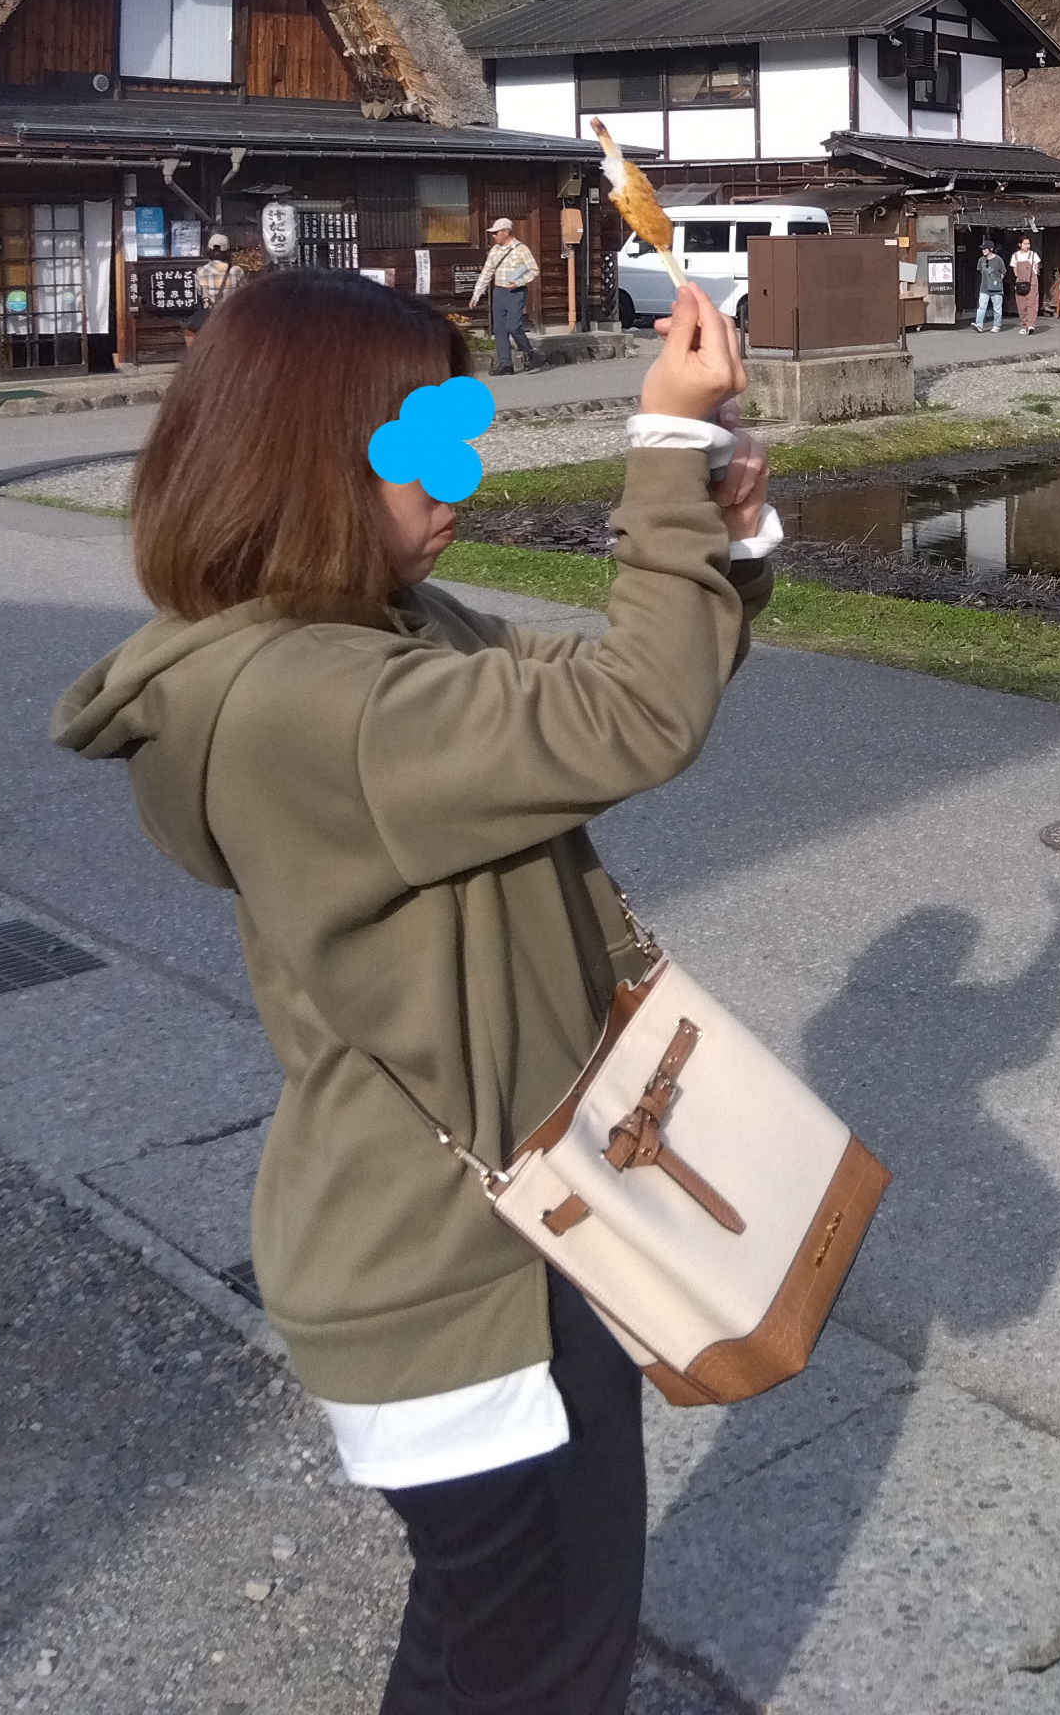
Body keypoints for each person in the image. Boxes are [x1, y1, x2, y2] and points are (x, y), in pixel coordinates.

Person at [52, 267, 776, 1715]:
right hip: (462, 1274)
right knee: (545, 1670)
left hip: (506, 1218)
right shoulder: (305, 702)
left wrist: (720, 522)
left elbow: (604, 683)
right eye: (421, 442)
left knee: (481, 1649)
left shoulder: (366, 640)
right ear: (311, 459)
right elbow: (628, 715)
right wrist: (658, 451)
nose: (461, 476)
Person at [469, 216, 542, 374]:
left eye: (496, 233)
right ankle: (505, 364)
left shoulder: (521, 249)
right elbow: (486, 273)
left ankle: (529, 352)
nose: (493, 236)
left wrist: (520, 281)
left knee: (513, 326)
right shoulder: (495, 250)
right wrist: (476, 294)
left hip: (516, 292)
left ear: (506, 232)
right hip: (499, 292)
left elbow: (534, 270)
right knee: (500, 329)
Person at [184, 231, 243, 348]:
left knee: (189, 331)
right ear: (227, 252)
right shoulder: (236, 271)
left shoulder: (201, 271)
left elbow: (198, 293)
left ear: (208, 250)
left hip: (208, 317)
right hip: (232, 317)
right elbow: (243, 291)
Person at [973, 235, 1007, 333]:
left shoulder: (998, 260)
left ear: (991, 249)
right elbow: (979, 272)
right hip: (984, 287)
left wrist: (996, 281)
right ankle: (979, 324)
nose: (983, 250)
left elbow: (1003, 272)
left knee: (997, 308)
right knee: (981, 306)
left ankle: (997, 325)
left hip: (996, 288)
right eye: (982, 249)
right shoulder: (981, 260)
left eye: (985, 249)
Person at [1010, 232, 1041, 336]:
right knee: (1021, 305)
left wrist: (1035, 274)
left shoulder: (1033, 255)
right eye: (1025, 244)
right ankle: (1024, 325)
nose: (1027, 245)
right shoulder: (1015, 256)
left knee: (1032, 304)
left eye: (1028, 244)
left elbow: (1036, 266)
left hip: (1032, 281)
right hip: (1020, 282)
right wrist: (1018, 277)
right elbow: (1014, 268)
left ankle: (1031, 325)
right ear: (1020, 244)